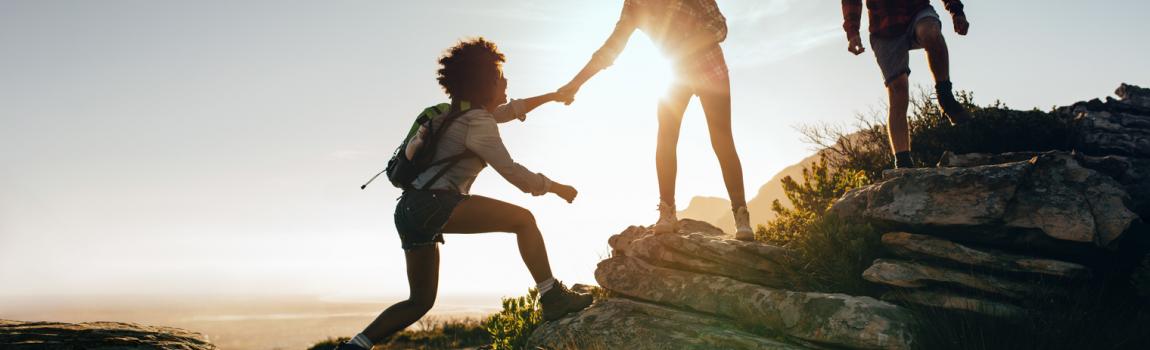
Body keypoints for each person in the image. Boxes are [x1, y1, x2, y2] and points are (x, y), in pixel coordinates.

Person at [336, 38, 592, 350]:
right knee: (524, 220)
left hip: (408, 210)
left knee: (419, 302)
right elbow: (513, 173)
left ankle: (354, 347)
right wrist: (554, 187)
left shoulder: (452, 114)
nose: (506, 81)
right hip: (435, 204)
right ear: (485, 83)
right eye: (500, 77)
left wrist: (553, 96)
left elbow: (511, 110)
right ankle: (551, 295)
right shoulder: (478, 122)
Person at [557, 0, 754, 241]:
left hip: (709, 67)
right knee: (666, 137)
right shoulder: (633, 6)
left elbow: (719, 27)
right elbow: (611, 48)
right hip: (675, 74)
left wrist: (684, 49)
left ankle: (741, 214)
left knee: (721, 139)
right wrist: (576, 84)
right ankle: (667, 212)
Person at [842, 0, 972, 168]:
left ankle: (945, 96)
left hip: (917, 11)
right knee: (898, 90)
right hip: (884, 27)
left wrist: (956, 11)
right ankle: (903, 162)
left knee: (931, 33)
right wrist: (852, 33)